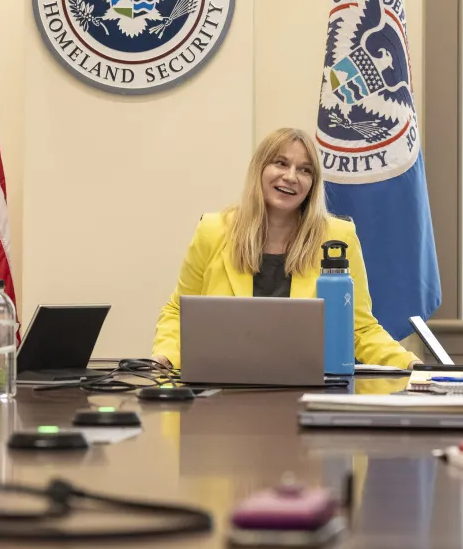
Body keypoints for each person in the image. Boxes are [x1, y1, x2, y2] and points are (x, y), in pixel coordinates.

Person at [151, 127, 417, 370]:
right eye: (280, 163)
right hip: (223, 386)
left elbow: (359, 328)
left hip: (308, 388)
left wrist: (410, 364)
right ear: (260, 169)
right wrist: (164, 357)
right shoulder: (213, 230)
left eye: (305, 170)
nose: (291, 177)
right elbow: (178, 311)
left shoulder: (337, 236)